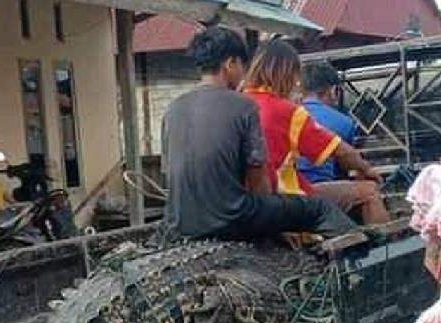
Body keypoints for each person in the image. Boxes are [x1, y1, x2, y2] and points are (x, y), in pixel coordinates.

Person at [161, 27, 355, 242]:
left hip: (181, 221)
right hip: (230, 219)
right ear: (230, 63)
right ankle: (362, 261)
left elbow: (168, 172)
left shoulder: (173, 108)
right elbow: (257, 175)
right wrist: (274, 224)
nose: (244, 74)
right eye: (242, 66)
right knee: (320, 208)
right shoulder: (243, 105)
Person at [244, 40, 390, 225]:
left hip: (244, 200)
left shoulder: (236, 103)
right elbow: (343, 152)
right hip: (284, 198)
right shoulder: (289, 112)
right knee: (369, 191)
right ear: (287, 75)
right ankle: (385, 251)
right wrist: (367, 169)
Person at [296, 62, 357, 181]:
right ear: (333, 91)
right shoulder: (344, 122)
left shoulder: (288, 115)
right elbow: (347, 165)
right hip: (322, 187)